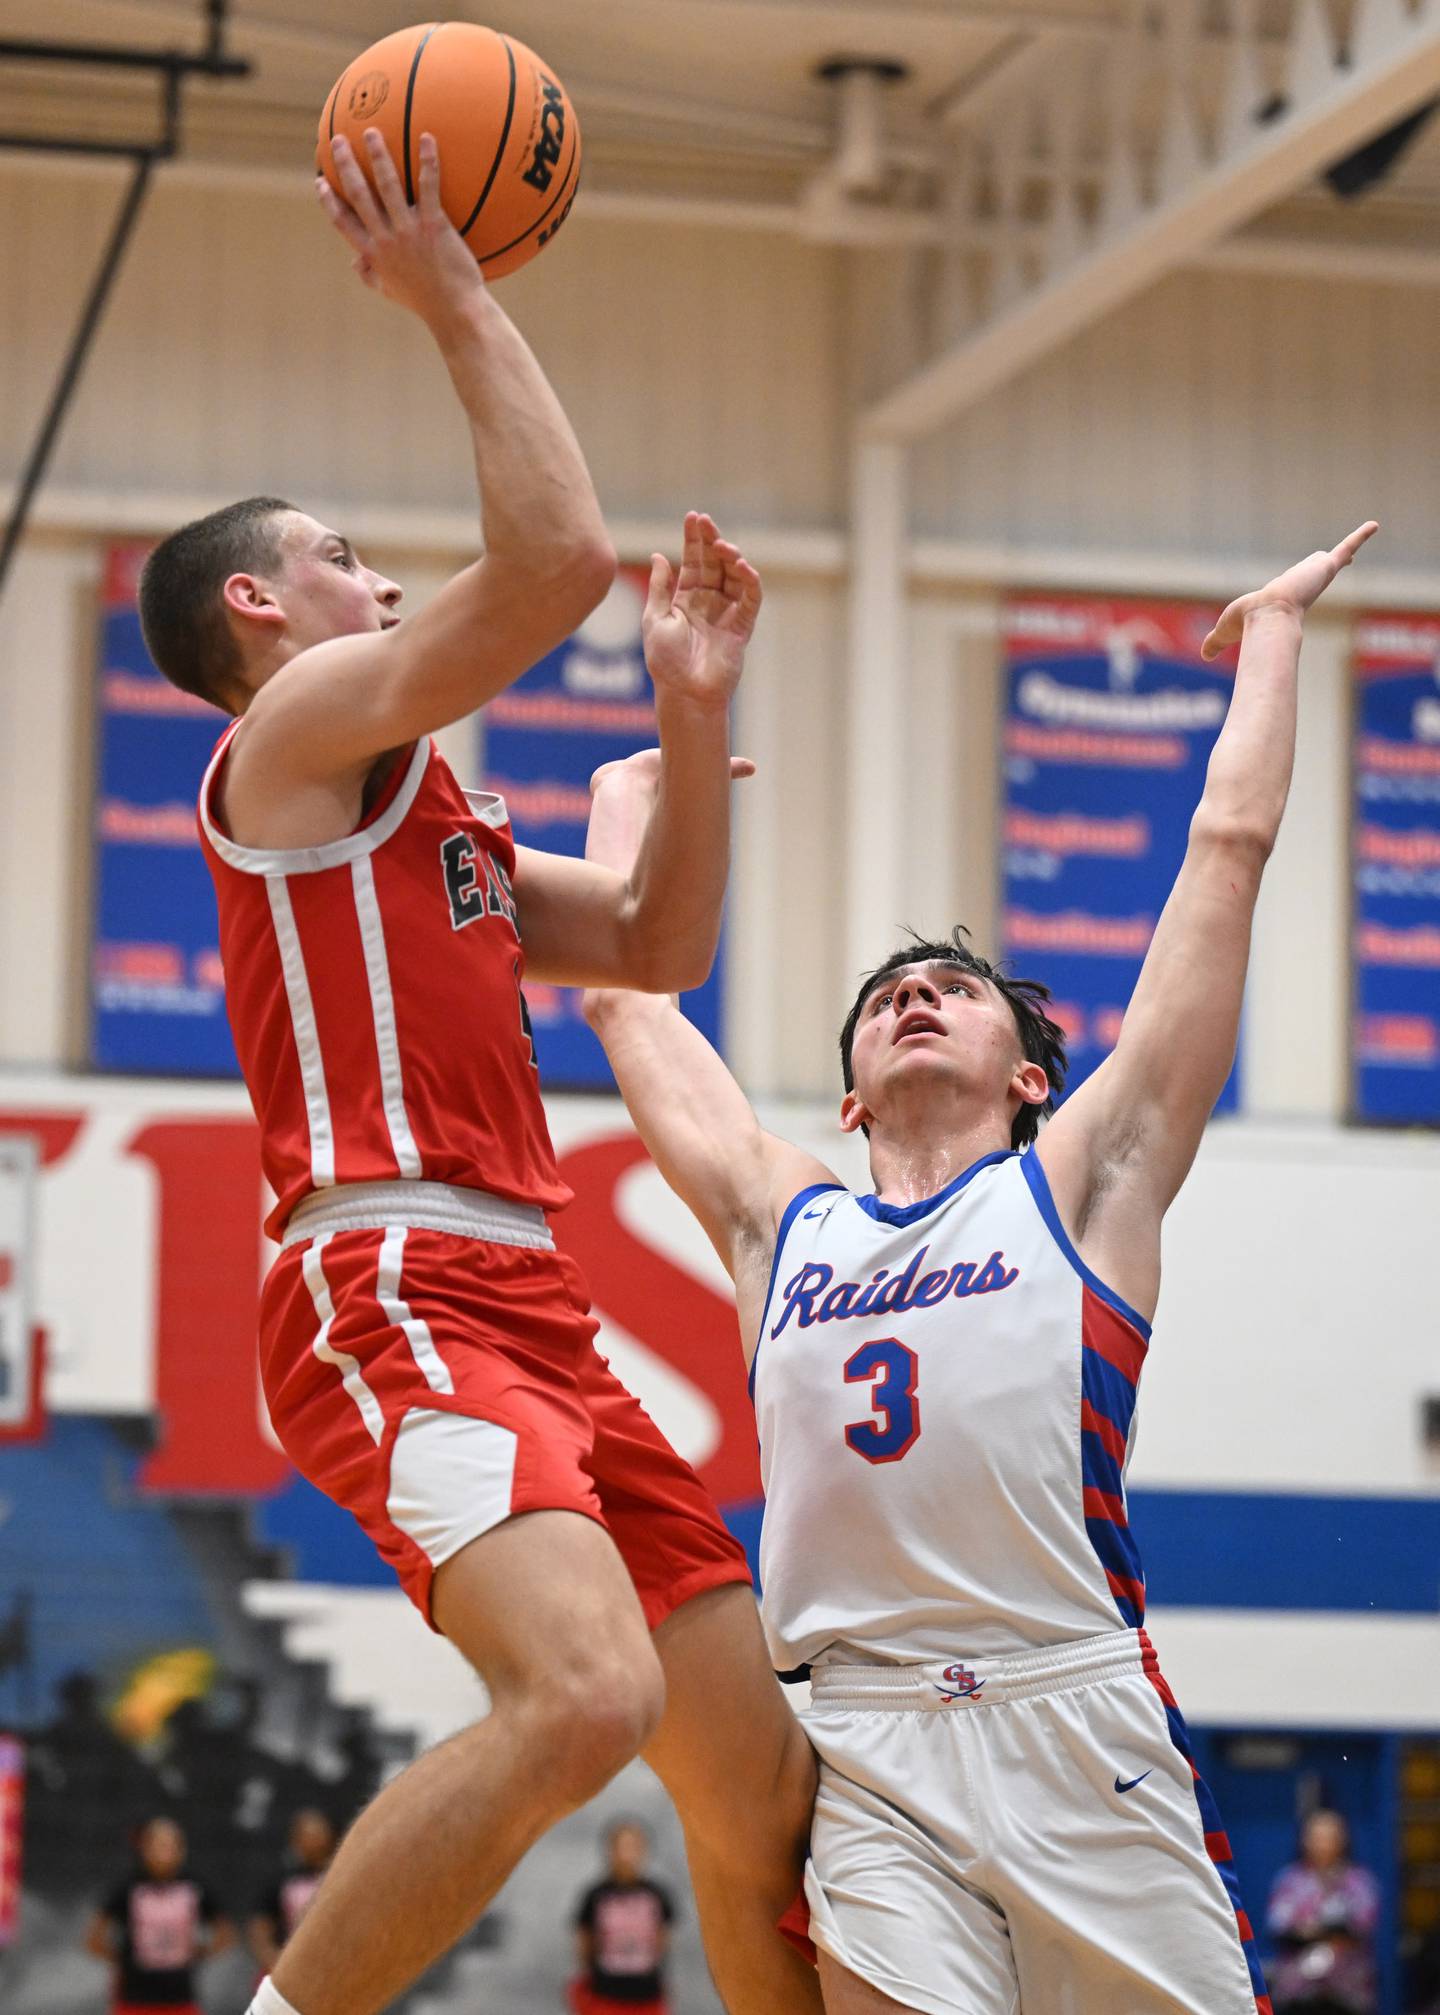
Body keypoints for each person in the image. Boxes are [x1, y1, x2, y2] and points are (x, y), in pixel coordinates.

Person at [135, 128, 820, 2015]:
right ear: (260, 614)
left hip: (533, 1300)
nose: (372, 573)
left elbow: (661, 945)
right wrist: (454, 297)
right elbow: (553, 563)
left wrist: (692, 712)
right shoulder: (291, 739)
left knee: (760, 1794)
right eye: (336, 556)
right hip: (390, 1277)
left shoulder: (427, 806)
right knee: (586, 1696)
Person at [583, 523, 1379, 2015]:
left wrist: (1271, 637)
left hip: (1071, 1707)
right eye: (890, 997)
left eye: (956, 988)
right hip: (869, 1734)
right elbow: (632, 1013)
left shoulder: (1088, 1176)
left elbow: (1225, 858)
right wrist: (630, 793)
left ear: (1029, 1079)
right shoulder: (786, 1221)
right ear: (849, 1092)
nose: (917, 997)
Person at [86, 1816, 233, 2015]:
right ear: (145, 1849)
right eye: (159, 1845)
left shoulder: (195, 1887)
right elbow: (93, 1939)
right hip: (135, 1998)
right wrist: (123, 1958)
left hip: (180, 1996)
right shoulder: (127, 1888)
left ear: (182, 1850)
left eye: (171, 1846)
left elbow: (225, 1934)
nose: (165, 1853)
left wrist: (199, 1953)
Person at [1267, 1809, 1381, 2014]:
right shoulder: (1289, 1880)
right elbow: (1280, 1928)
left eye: (1330, 1836)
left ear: (1343, 1839)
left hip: (1348, 1993)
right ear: (1304, 1840)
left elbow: (1360, 1928)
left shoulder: (1359, 1882)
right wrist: (1329, 1932)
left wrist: (1313, 1930)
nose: (1323, 1844)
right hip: (1297, 1991)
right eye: (1317, 1836)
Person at [571, 1820, 676, 2015]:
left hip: (646, 1994)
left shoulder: (657, 1894)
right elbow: (584, 1941)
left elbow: (663, 1940)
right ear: (609, 1850)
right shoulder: (595, 1894)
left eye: (634, 1847)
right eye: (621, 1846)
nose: (627, 1855)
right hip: (604, 1993)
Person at [248, 1810, 337, 1976]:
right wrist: (271, 1957)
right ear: (295, 1840)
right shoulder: (282, 1882)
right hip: (290, 1969)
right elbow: (260, 1928)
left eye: (318, 1834)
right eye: (306, 1835)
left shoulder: (341, 1877)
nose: (313, 1841)